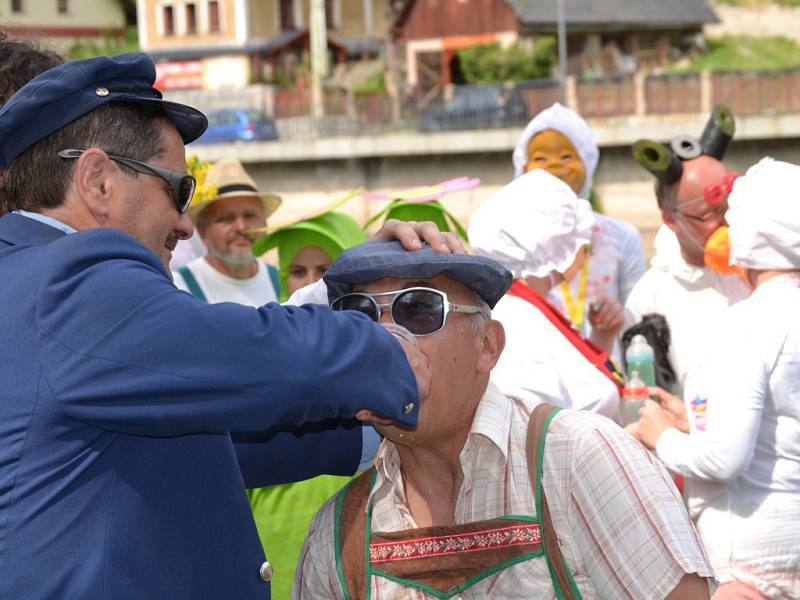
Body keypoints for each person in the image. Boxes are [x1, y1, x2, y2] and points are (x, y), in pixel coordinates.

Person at [0, 52, 464, 600]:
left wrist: (376, 415)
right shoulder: (67, 280)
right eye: (179, 189)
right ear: (97, 180)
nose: (184, 223)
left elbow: (199, 447)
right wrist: (389, 349)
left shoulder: (29, 283)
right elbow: (250, 358)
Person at [294, 239, 714, 599]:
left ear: (488, 347)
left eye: (419, 309)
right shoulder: (338, 531)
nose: (383, 337)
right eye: (359, 316)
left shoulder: (579, 460)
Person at [632, 158, 800, 600]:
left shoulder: (748, 321)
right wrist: (693, 422)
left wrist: (662, 436)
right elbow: (782, 427)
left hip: (749, 562)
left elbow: (725, 461)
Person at [222, 208, 366, 599]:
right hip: (271, 544)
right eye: (298, 271)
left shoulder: (376, 374)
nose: (312, 281)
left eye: (325, 270)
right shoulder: (266, 371)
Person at [469, 169, 622, 419]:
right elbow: (532, 428)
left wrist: (602, 337)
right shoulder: (515, 318)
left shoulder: (530, 305)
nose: (586, 251)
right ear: (557, 245)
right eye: (582, 241)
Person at [625, 113, 750, 394]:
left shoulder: (763, 265)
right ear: (671, 220)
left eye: (731, 205)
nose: (727, 219)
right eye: (711, 213)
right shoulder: (650, 297)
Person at [512, 102, 645, 354]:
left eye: (566, 157)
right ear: (523, 167)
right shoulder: (510, 244)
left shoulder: (623, 236)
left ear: (587, 161)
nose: (555, 167)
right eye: (541, 158)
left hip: (608, 375)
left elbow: (637, 322)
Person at [172, 157, 283, 302]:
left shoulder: (284, 282)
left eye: (250, 216)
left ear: (264, 223)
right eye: (226, 218)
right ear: (202, 231)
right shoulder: (180, 287)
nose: (241, 227)